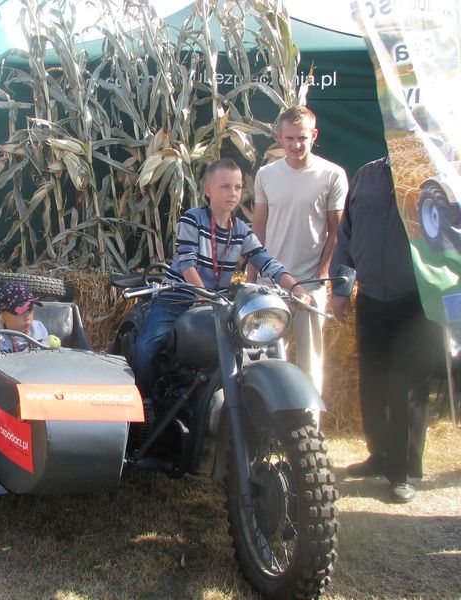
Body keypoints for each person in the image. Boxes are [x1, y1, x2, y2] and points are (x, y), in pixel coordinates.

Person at [132, 158, 312, 398]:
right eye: (225, 186)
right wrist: (201, 295)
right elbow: (187, 263)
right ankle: (142, 408)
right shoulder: (193, 219)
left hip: (215, 305)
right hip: (178, 298)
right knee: (146, 349)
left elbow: (266, 261)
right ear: (208, 190)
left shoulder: (241, 230)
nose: (233, 193)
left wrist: (297, 289)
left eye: (238, 187)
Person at [330, 156, 444, 504]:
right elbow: (346, 233)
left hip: (416, 300)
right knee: (374, 379)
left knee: (407, 384)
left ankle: (404, 470)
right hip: (371, 297)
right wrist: (340, 287)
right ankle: (379, 455)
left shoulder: (436, 177)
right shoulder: (366, 174)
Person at [251, 105, 348, 396]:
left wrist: (321, 274)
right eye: (290, 138)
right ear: (279, 137)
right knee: (266, 360)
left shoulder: (332, 175)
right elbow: (258, 230)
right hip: (270, 285)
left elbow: (338, 231)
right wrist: (251, 278)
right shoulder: (265, 175)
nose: (296, 145)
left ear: (314, 135)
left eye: (302, 138)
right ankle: (268, 432)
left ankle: (309, 425)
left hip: (309, 285)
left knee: (310, 364)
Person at [0, 282, 49, 356]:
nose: (27, 317)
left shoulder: (39, 329)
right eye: (20, 312)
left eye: (30, 309)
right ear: (3, 316)